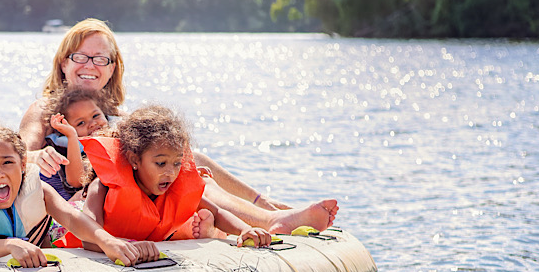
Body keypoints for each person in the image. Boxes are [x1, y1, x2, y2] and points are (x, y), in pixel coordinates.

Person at [19, 18, 338, 233]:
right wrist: (38, 156)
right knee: (187, 166)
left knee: (190, 162)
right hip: (84, 203)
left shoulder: (119, 116)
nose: (90, 65)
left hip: (135, 199)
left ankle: (267, 210)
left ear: (112, 68)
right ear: (64, 62)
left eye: (100, 59)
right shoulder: (44, 110)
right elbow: (20, 152)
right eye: (80, 57)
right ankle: (268, 219)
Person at [0, 125, 158, 268]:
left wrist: (110, 241)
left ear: (23, 164)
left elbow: (72, 218)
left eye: (7, 162)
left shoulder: (39, 191)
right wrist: (10, 245)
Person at [77, 105, 272, 248]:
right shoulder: (101, 187)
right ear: (134, 159)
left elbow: (218, 212)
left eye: (177, 163)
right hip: (79, 235)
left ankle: (207, 231)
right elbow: (87, 237)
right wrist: (126, 245)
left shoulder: (173, 185)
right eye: (161, 163)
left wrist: (244, 229)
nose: (170, 172)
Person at [39, 86, 115, 200]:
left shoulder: (118, 131)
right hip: (88, 200)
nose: (92, 124)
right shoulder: (71, 148)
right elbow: (77, 181)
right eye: (81, 123)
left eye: (95, 115)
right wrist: (72, 136)